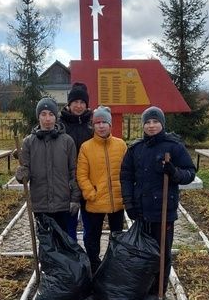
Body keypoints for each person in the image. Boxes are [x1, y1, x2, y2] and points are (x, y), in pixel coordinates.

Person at [120, 106, 196, 300]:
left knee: (162, 252)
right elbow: (126, 176)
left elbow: (190, 173)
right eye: (147, 122)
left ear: (162, 124)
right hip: (142, 210)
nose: (151, 126)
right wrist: (129, 203)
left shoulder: (173, 147)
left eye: (155, 122)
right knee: (143, 252)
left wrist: (175, 173)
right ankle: (143, 285)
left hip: (164, 211)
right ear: (143, 125)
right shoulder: (136, 149)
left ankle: (158, 291)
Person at [15, 97, 80, 233]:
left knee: (63, 243)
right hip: (40, 203)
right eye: (43, 114)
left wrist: (75, 198)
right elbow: (25, 170)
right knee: (45, 243)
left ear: (56, 117)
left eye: (51, 114)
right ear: (38, 117)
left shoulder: (67, 141)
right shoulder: (29, 142)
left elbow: (74, 171)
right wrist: (21, 174)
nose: (47, 118)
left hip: (62, 202)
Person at [77, 105, 127, 273]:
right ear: (93, 125)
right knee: (93, 238)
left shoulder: (121, 145)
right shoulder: (86, 147)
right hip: (95, 201)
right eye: (97, 122)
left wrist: (125, 192)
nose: (101, 126)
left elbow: (127, 171)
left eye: (104, 122)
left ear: (110, 125)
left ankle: (114, 267)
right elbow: (82, 175)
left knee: (117, 237)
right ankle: (94, 267)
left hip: (117, 202)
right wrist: (91, 193)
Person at [59, 82, 93, 241]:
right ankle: (71, 259)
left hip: (88, 181)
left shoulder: (92, 125)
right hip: (67, 182)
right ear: (69, 104)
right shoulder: (60, 126)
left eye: (82, 102)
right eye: (75, 102)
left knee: (90, 225)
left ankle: (90, 259)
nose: (79, 106)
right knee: (69, 225)